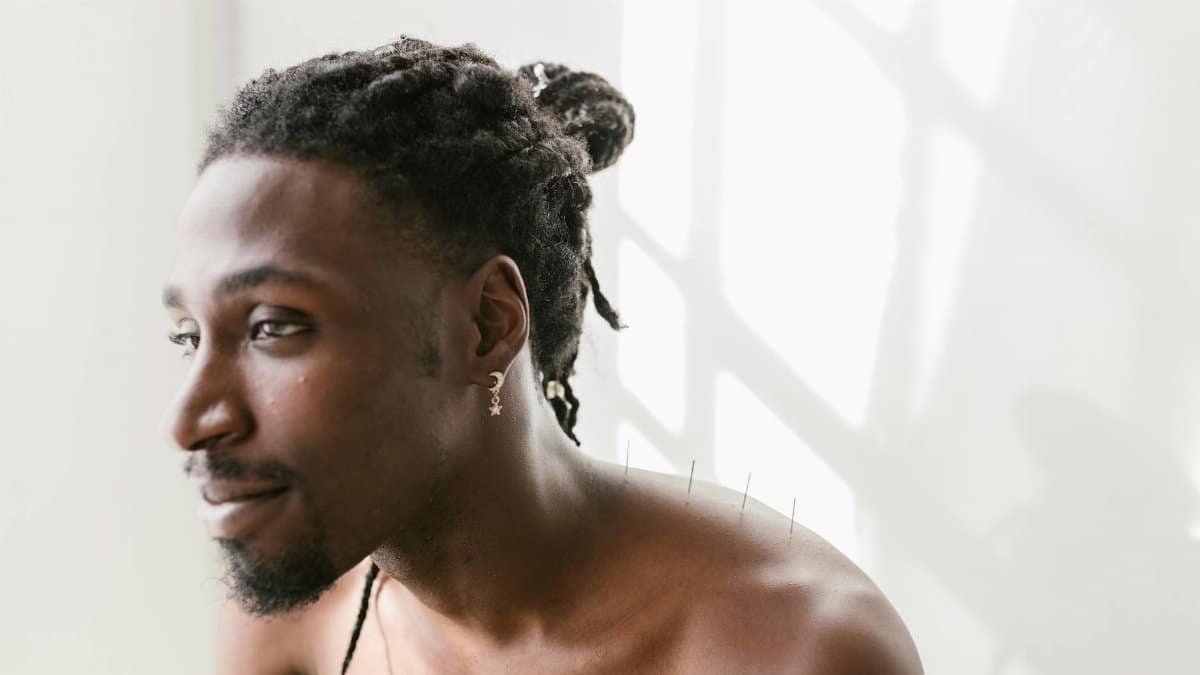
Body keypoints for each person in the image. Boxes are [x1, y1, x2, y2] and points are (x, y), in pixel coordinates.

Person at [160, 35, 923, 674]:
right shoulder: (307, 622)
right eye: (188, 336)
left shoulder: (790, 650)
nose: (192, 419)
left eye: (274, 327)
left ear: (488, 325)